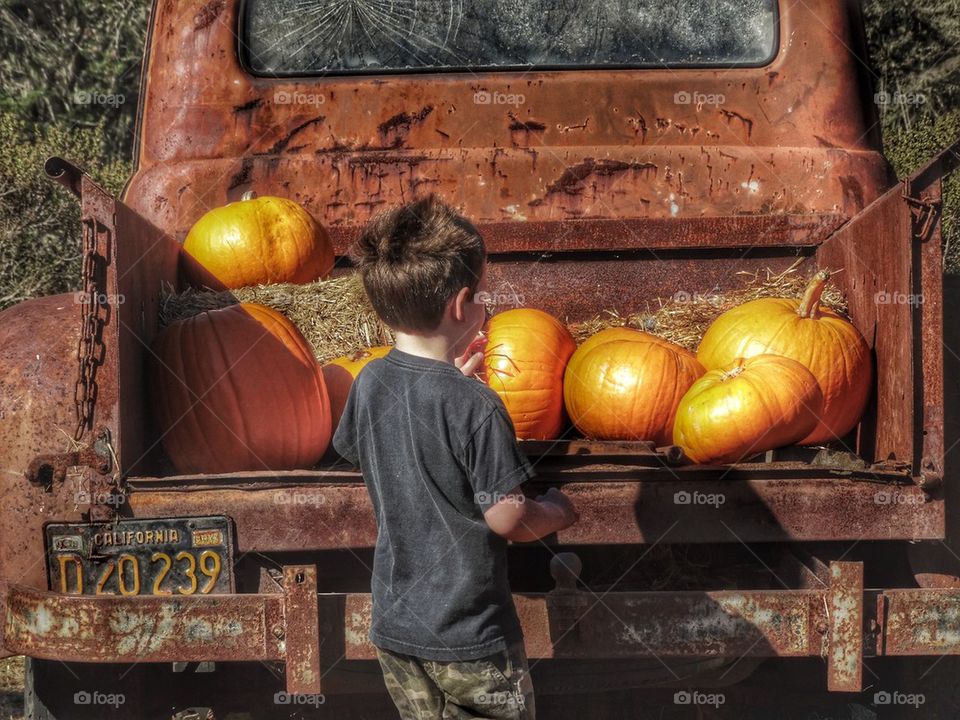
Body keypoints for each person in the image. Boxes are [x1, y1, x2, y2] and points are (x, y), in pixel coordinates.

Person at [333, 194, 579, 719]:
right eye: (484, 293)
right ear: (462, 304)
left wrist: (445, 396)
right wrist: (557, 511)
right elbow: (507, 517)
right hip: (469, 638)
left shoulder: (369, 381)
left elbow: (367, 445)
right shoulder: (477, 406)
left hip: (396, 630)